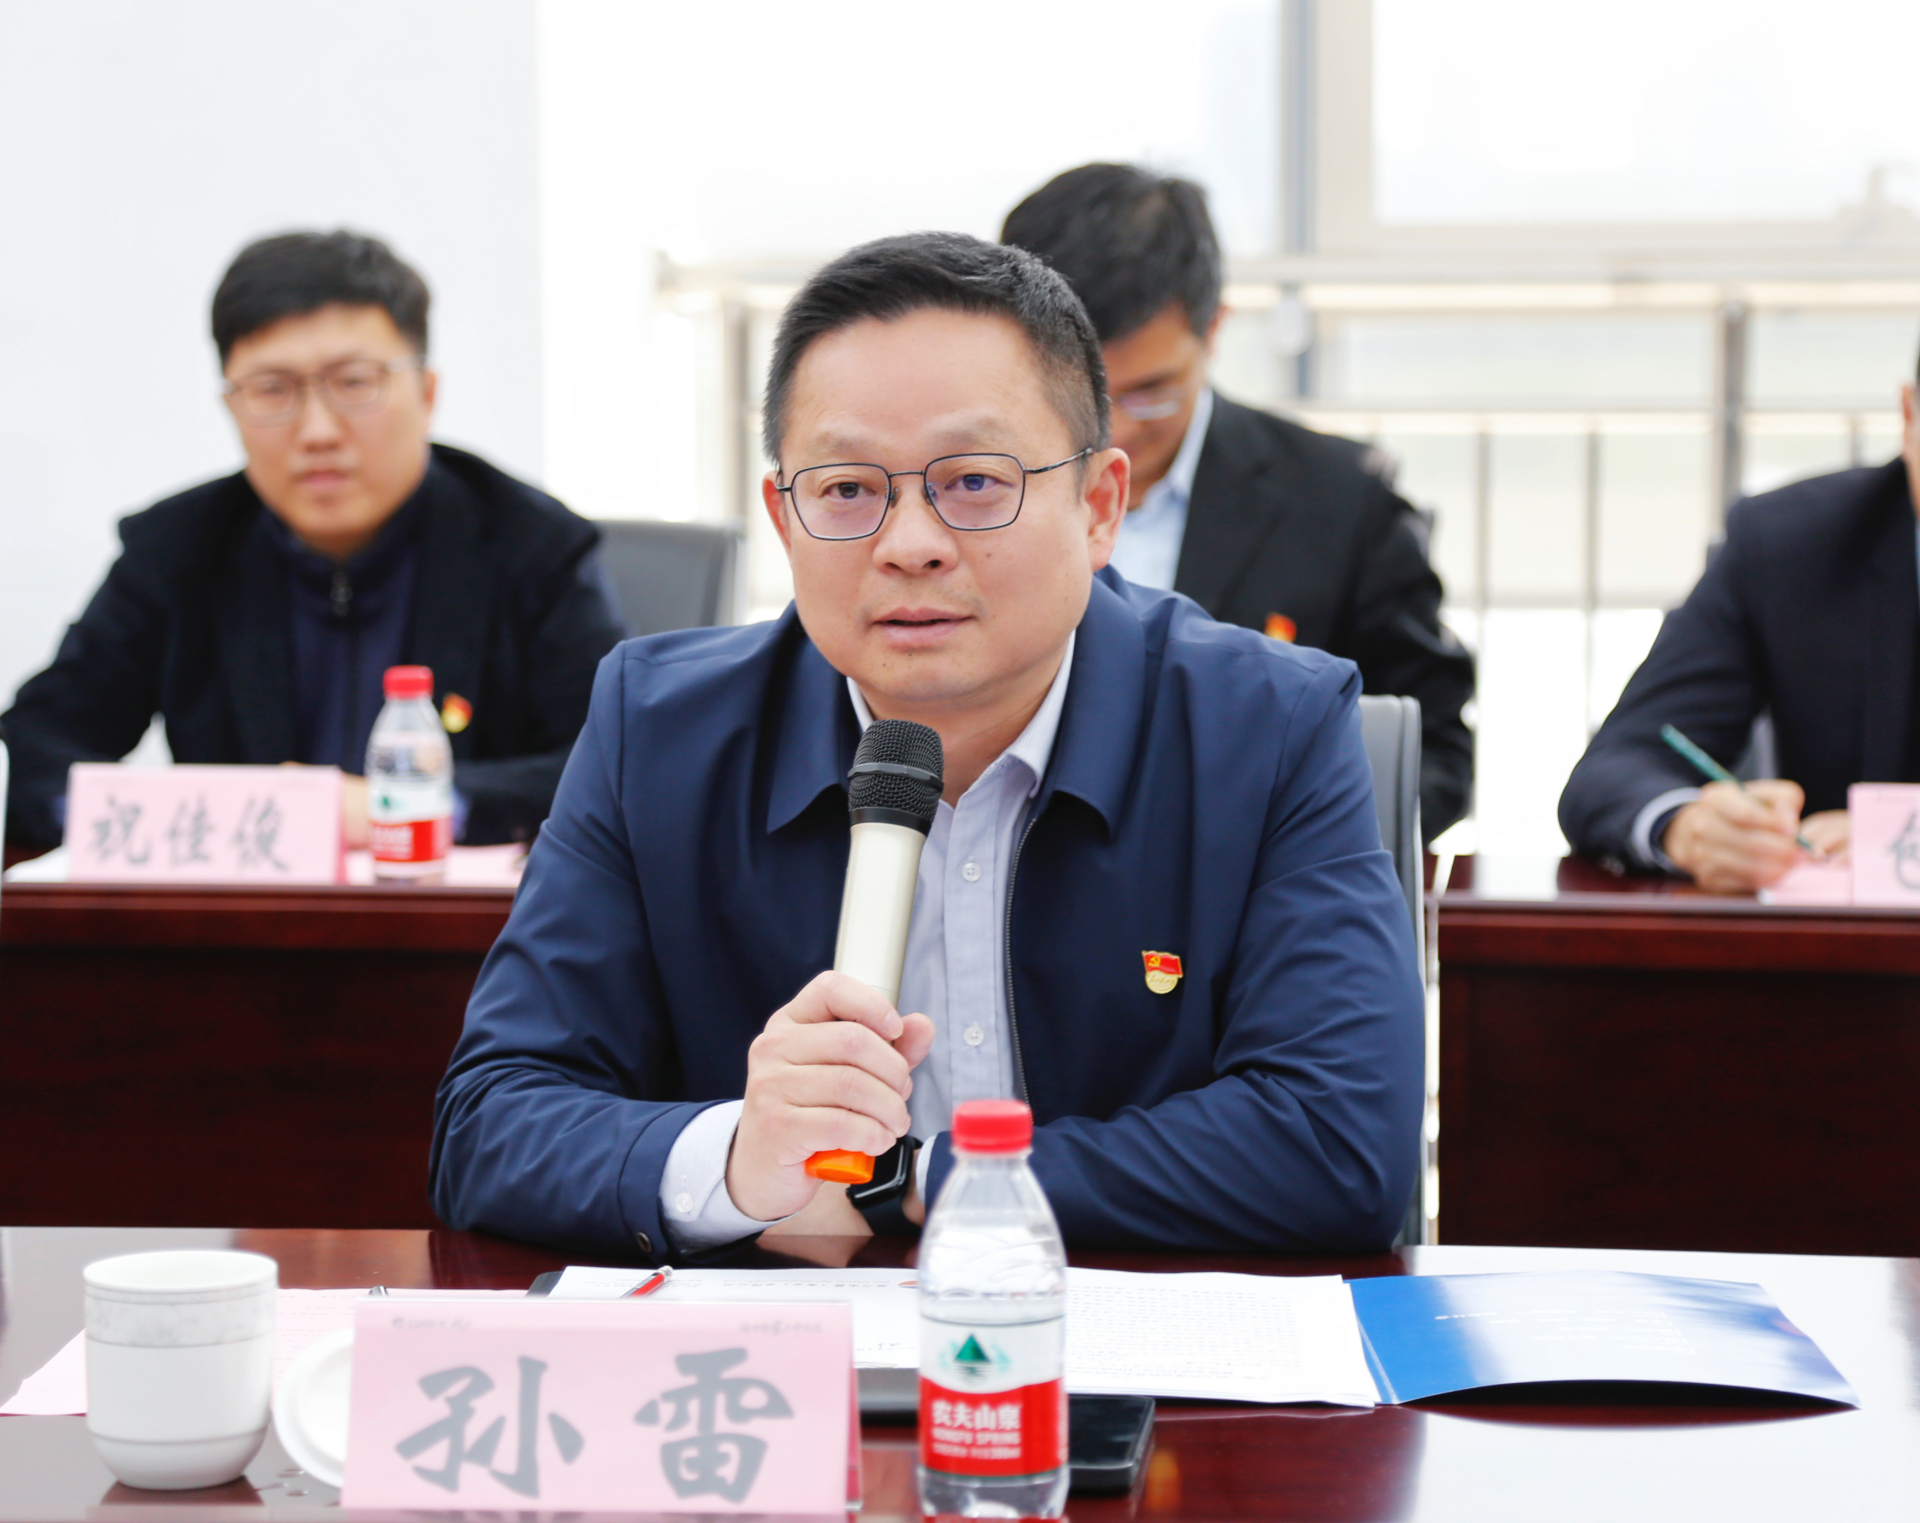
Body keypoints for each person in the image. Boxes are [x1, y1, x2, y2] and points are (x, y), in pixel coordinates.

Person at [430, 232, 1423, 1261]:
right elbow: (490, 1120)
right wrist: (739, 1161)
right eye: (847, 490)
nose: (910, 543)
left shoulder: (1269, 727)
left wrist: (911, 1178)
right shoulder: (658, 730)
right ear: (783, 518)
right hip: (794, 1350)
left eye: (976, 481)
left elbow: (1338, 1140)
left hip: (1141, 1346)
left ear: (1099, 507)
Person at [2, 231, 626, 849]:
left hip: (464, 911)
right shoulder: (179, 547)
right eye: (273, 390)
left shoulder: (533, 546)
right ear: (232, 407)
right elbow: (36, 746)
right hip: (243, 913)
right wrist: (169, 817)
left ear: (427, 394)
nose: (318, 431)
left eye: (354, 383)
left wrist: (402, 808)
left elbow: (614, 763)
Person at [1001, 164, 1475, 841]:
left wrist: (1283, 847)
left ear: (1214, 328)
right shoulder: (958, 494)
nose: (1116, 430)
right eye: (1085, 393)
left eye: (1151, 391)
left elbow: (1430, 754)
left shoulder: (1342, 503)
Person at [1560, 361, 1920, 893]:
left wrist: (1898, 835)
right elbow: (1620, 764)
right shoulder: (1791, 544)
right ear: (1909, 415)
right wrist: (1689, 828)